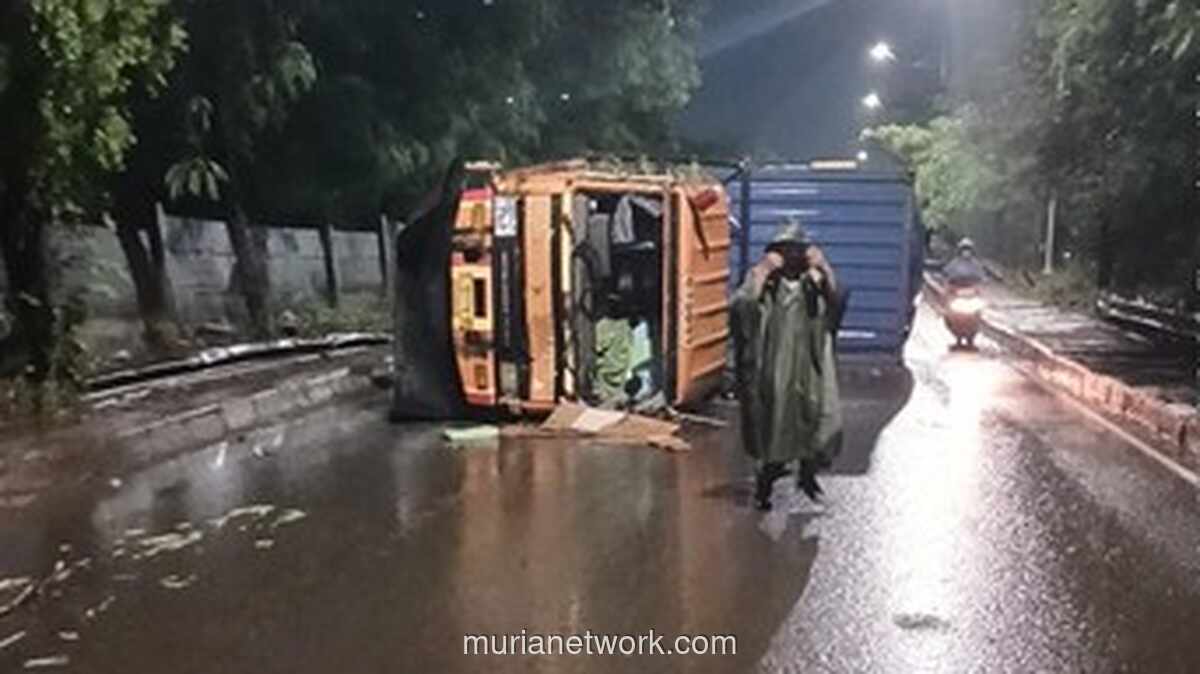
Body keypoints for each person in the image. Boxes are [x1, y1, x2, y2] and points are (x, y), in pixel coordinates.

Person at [731, 221, 846, 511]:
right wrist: (763, 271)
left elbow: (838, 302)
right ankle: (765, 483)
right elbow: (742, 307)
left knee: (817, 421)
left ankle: (808, 477)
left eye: (797, 250)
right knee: (775, 423)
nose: (793, 256)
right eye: (786, 250)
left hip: (810, 365)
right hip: (775, 364)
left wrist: (826, 269)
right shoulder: (765, 280)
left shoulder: (814, 282)